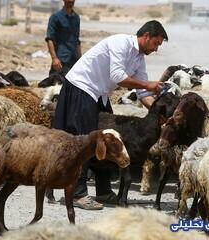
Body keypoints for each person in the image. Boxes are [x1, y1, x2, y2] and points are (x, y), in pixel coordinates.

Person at [48, 20, 168, 210]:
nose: (156, 49)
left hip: (99, 93)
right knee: (85, 140)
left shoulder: (139, 59)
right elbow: (118, 77)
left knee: (108, 138)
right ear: (146, 37)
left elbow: (144, 95)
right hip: (81, 87)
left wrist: (158, 114)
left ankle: (103, 191)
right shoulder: (120, 43)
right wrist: (148, 85)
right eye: (156, 43)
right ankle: (78, 194)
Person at [45, 0, 81, 76]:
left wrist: (80, 59)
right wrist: (54, 58)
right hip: (60, 61)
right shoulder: (55, 17)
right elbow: (50, 39)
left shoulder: (76, 18)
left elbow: (77, 41)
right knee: (56, 85)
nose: (71, 1)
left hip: (74, 61)